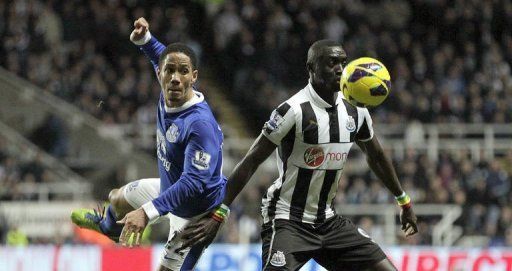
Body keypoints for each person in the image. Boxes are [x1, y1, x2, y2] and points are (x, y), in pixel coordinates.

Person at [181, 40, 418, 271]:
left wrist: (403, 200)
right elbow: (251, 160)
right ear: (311, 68)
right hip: (287, 220)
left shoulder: (356, 110)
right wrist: (219, 213)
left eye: (343, 62)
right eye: (331, 63)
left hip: (328, 221)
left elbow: (376, 156)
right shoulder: (292, 110)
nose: (339, 69)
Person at [71, 17, 229, 271]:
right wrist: (145, 40)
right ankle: (109, 228)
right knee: (117, 199)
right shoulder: (168, 86)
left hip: (197, 213)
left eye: (183, 72)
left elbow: (194, 182)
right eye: (170, 71)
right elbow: (161, 56)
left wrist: (146, 212)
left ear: (194, 77)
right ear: (160, 74)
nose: (175, 78)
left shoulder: (200, 125)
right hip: (171, 189)